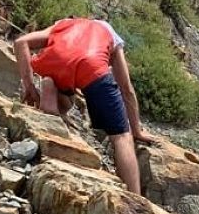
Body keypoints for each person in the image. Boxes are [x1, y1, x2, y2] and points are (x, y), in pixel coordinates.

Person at [14, 18, 154, 195]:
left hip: (55, 62)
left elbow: (21, 42)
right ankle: (135, 198)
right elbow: (126, 89)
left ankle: (49, 90)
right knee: (121, 137)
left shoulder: (64, 23)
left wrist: (29, 86)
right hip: (92, 68)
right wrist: (136, 130)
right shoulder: (109, 31)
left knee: (64, 85)